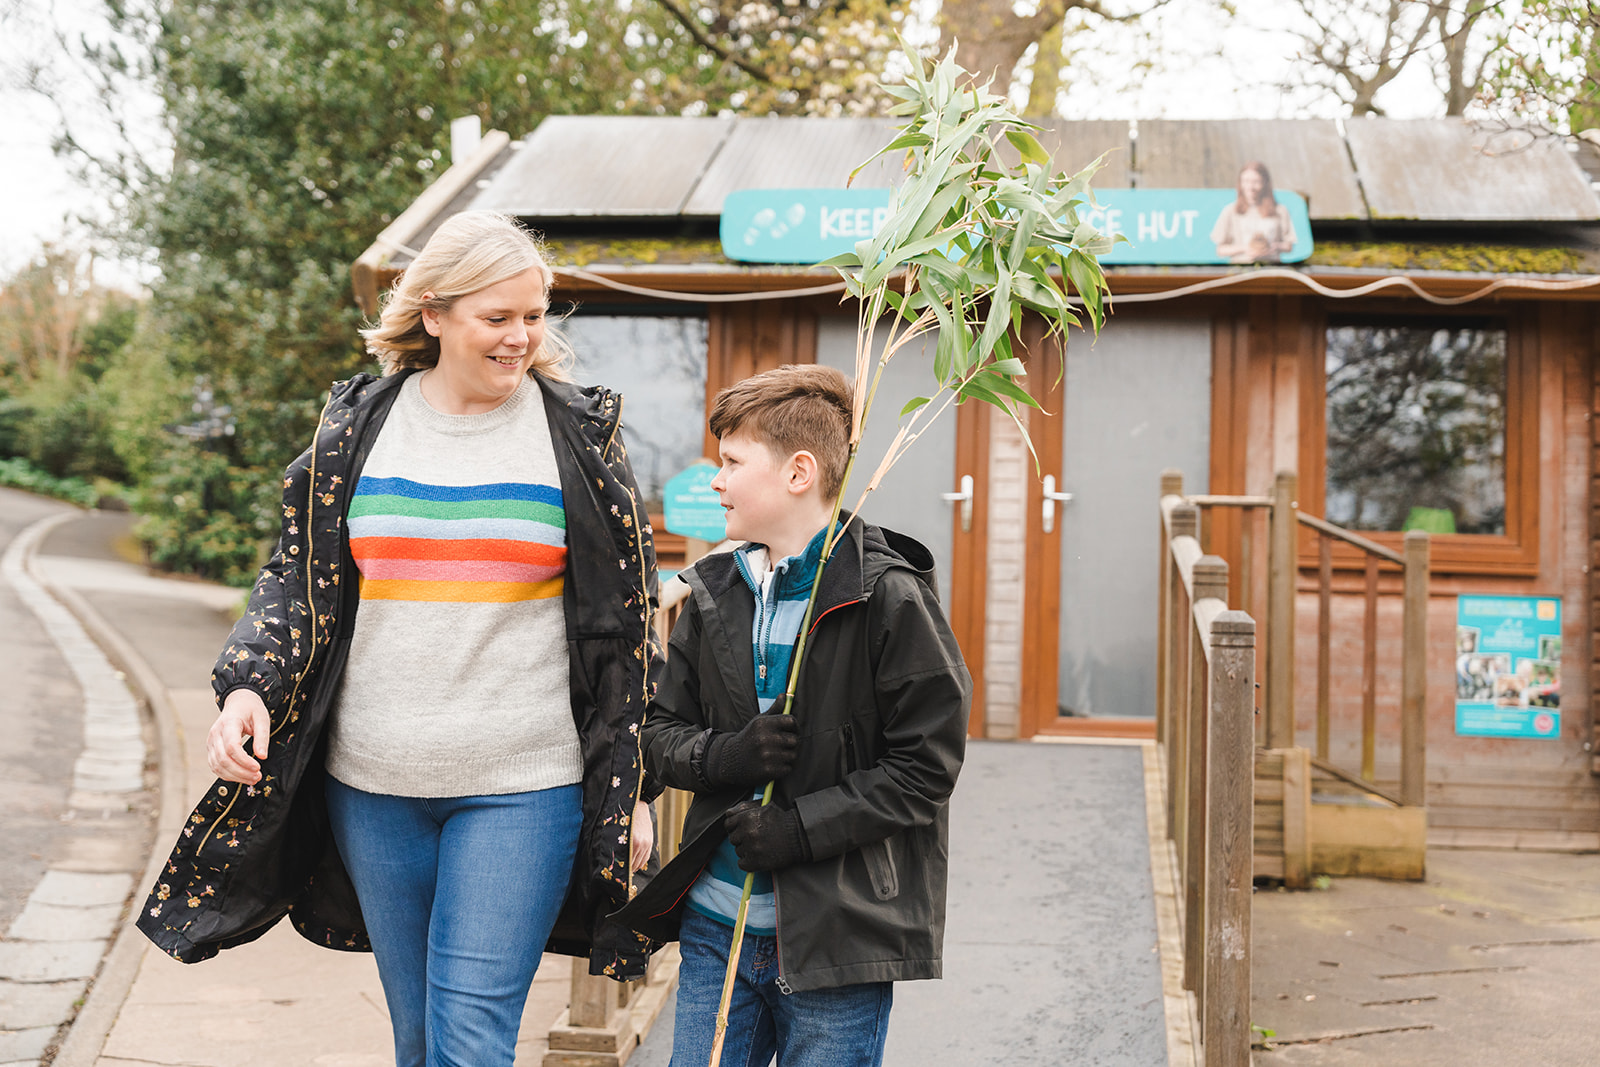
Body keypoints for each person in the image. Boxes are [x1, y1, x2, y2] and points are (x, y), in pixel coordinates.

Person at [136, 210, 663, 1067]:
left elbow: (627, 627)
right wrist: (245, 688)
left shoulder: (576, 438)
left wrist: (633, 784)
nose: (521, 337)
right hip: (374, 787)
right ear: (433, 314)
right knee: (420, 1042)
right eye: (498, 317)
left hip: (522, 786)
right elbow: (293, 579)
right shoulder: (357, 428)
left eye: (534, 315)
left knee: (470, 1040)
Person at [614, 364, 971, 1067]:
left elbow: (926, 767)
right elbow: (655, 735)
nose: (715, 480)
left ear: (799, 471)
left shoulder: (888, 597)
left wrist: (799, 828)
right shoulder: (712, 591)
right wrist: (727, 757)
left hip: (838, 936)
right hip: (720, 925)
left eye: (733, 462)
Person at [1210, 161, 1296, 263]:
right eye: (1246, 181)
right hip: (1241, 269)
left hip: (1271, 269)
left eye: (1256, 182)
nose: (1251, 187)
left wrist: (1273, 247)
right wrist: (1245, 249)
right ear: (1240, 183)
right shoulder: (1230, 211)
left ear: (1265, 183)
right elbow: (1220, 249)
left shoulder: (1280, 210)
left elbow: (1289, 246)